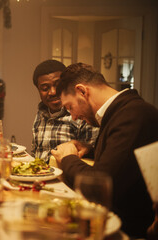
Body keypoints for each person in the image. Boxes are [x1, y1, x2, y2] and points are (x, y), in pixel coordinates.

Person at [51, 63, 158, 238]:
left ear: (82, 91)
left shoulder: (133, 115)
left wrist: (68, 157)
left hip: (129, 232)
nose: (73, 116)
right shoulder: (122, 112)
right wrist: (91, 151)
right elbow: (125, 162)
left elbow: (98, 186)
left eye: (70, 107)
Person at [31, 60, 98, 161]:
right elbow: (36, 151)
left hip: (67, 174)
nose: (53, 92)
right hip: (38, 175)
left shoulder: (81, 114)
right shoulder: (40, 113)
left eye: (57, 85)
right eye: (45, 88)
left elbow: (92, 157)